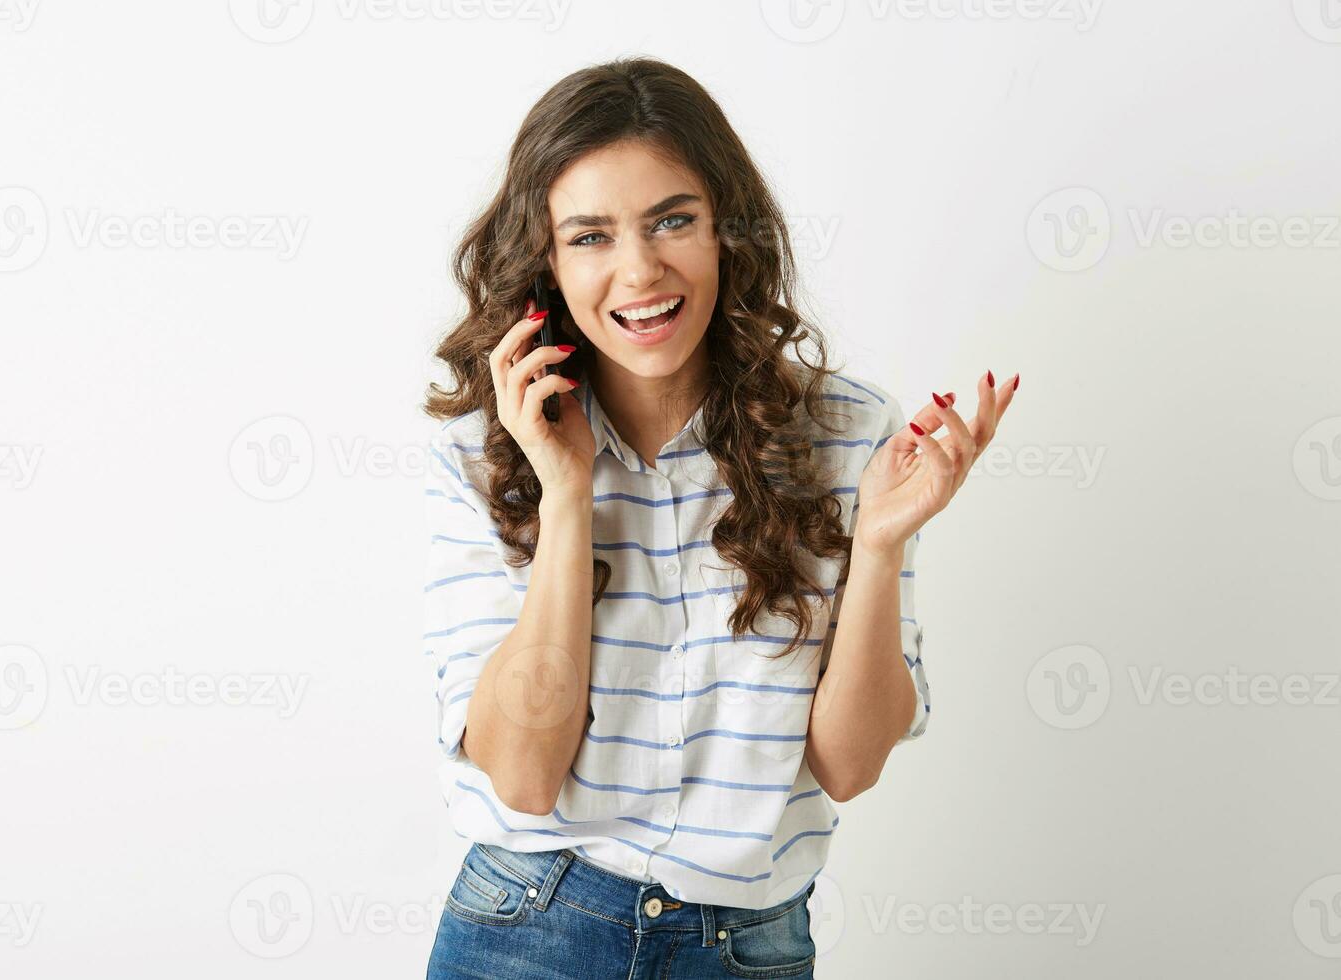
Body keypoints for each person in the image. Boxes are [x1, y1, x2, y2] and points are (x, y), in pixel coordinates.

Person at [420, 55, 1018, 979]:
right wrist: (568, 496)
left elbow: (850, 766)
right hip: (530, 928)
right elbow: (525, 776)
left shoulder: (848, 433)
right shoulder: (484, 451)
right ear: (543, 260)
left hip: (748, 948)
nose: (640, 270)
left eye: (672, 221)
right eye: (589, 236)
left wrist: (882, 542)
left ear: (726, 229)